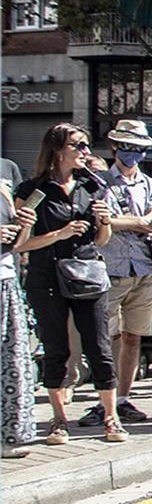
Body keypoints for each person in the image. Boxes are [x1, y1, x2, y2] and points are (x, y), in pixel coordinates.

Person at [14, 123, 121, 442]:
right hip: (46, 274)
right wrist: (59, 234)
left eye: (86, 145)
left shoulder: (93, 186)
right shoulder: (33, 191)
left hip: (87, 273)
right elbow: (20, 244)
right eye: (79, 145)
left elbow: (101, 240)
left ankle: (111, 417)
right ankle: (59, 419)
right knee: (55, 347)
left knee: (99, 346)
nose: (86, 151)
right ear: (58, 150)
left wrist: (105, 222)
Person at [101, 119, 152, 425]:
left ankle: (124, 398)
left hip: (143, 268)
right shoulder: (100, 183)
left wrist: (126, 222)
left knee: (133, 337)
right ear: (115, 147)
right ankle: (105, 399)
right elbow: (103, 223)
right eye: (127, 147)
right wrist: (138, 222)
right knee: (108, 337)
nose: (133, 154)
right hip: (109, 269)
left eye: (139, 148)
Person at [2, 163, 39, 453]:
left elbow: (16, 244)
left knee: (11, 361)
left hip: (6, 278)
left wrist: (24, 224)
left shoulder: (5, 176)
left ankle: (9, 435)